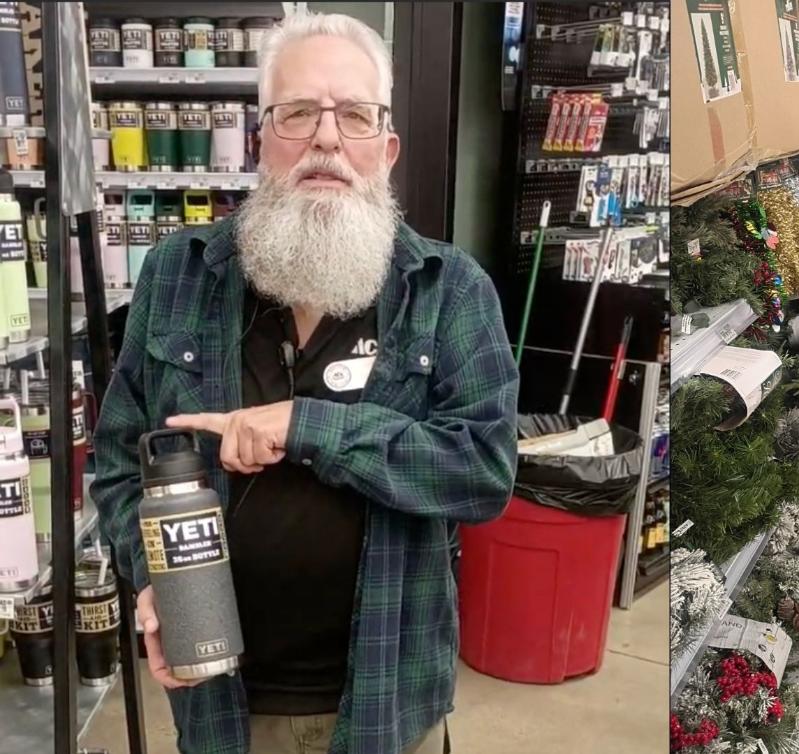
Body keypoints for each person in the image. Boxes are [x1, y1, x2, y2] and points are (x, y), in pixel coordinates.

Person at [91, 12, 519, 754]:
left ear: (385, 150)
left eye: (354, 115)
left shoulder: (449, 290)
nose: (326, 138)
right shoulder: (177, 275)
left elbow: (483, 472)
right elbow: (118, 463)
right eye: (298, 113)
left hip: (387, 706)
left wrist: (306, 425)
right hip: (221, 702)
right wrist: (152, 576)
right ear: (262, 143)